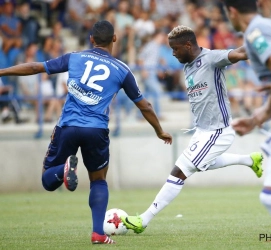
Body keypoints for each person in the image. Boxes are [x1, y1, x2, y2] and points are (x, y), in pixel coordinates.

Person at [0, 20, 172, 244]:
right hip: (97, 130)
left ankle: (62, 170)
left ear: (91, 39)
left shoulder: (74, 58)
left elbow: (35, 67)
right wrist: (159, 130)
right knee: (98, 181)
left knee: (46, 180)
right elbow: (145, 105)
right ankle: (98, 233)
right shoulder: (122, 69)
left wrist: (2, 71)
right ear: (114, 39)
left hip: (68, 127)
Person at [120, 25, 263, 234]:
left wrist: (265, 44)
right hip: (202, 130)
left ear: (188, 45)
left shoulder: (213, 58)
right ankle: (250, 160)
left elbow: (240, 53)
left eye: (176, 49)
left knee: (180, 171)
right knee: (206, 163)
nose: (173, 53)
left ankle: (144, 219)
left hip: (218, 131)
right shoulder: (188, 66)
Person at [223, 0, 271, 248]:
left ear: (232, 12)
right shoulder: (263, 30)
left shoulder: (256, 31)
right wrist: (259, 117)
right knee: (270, 199)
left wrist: (261, 113)